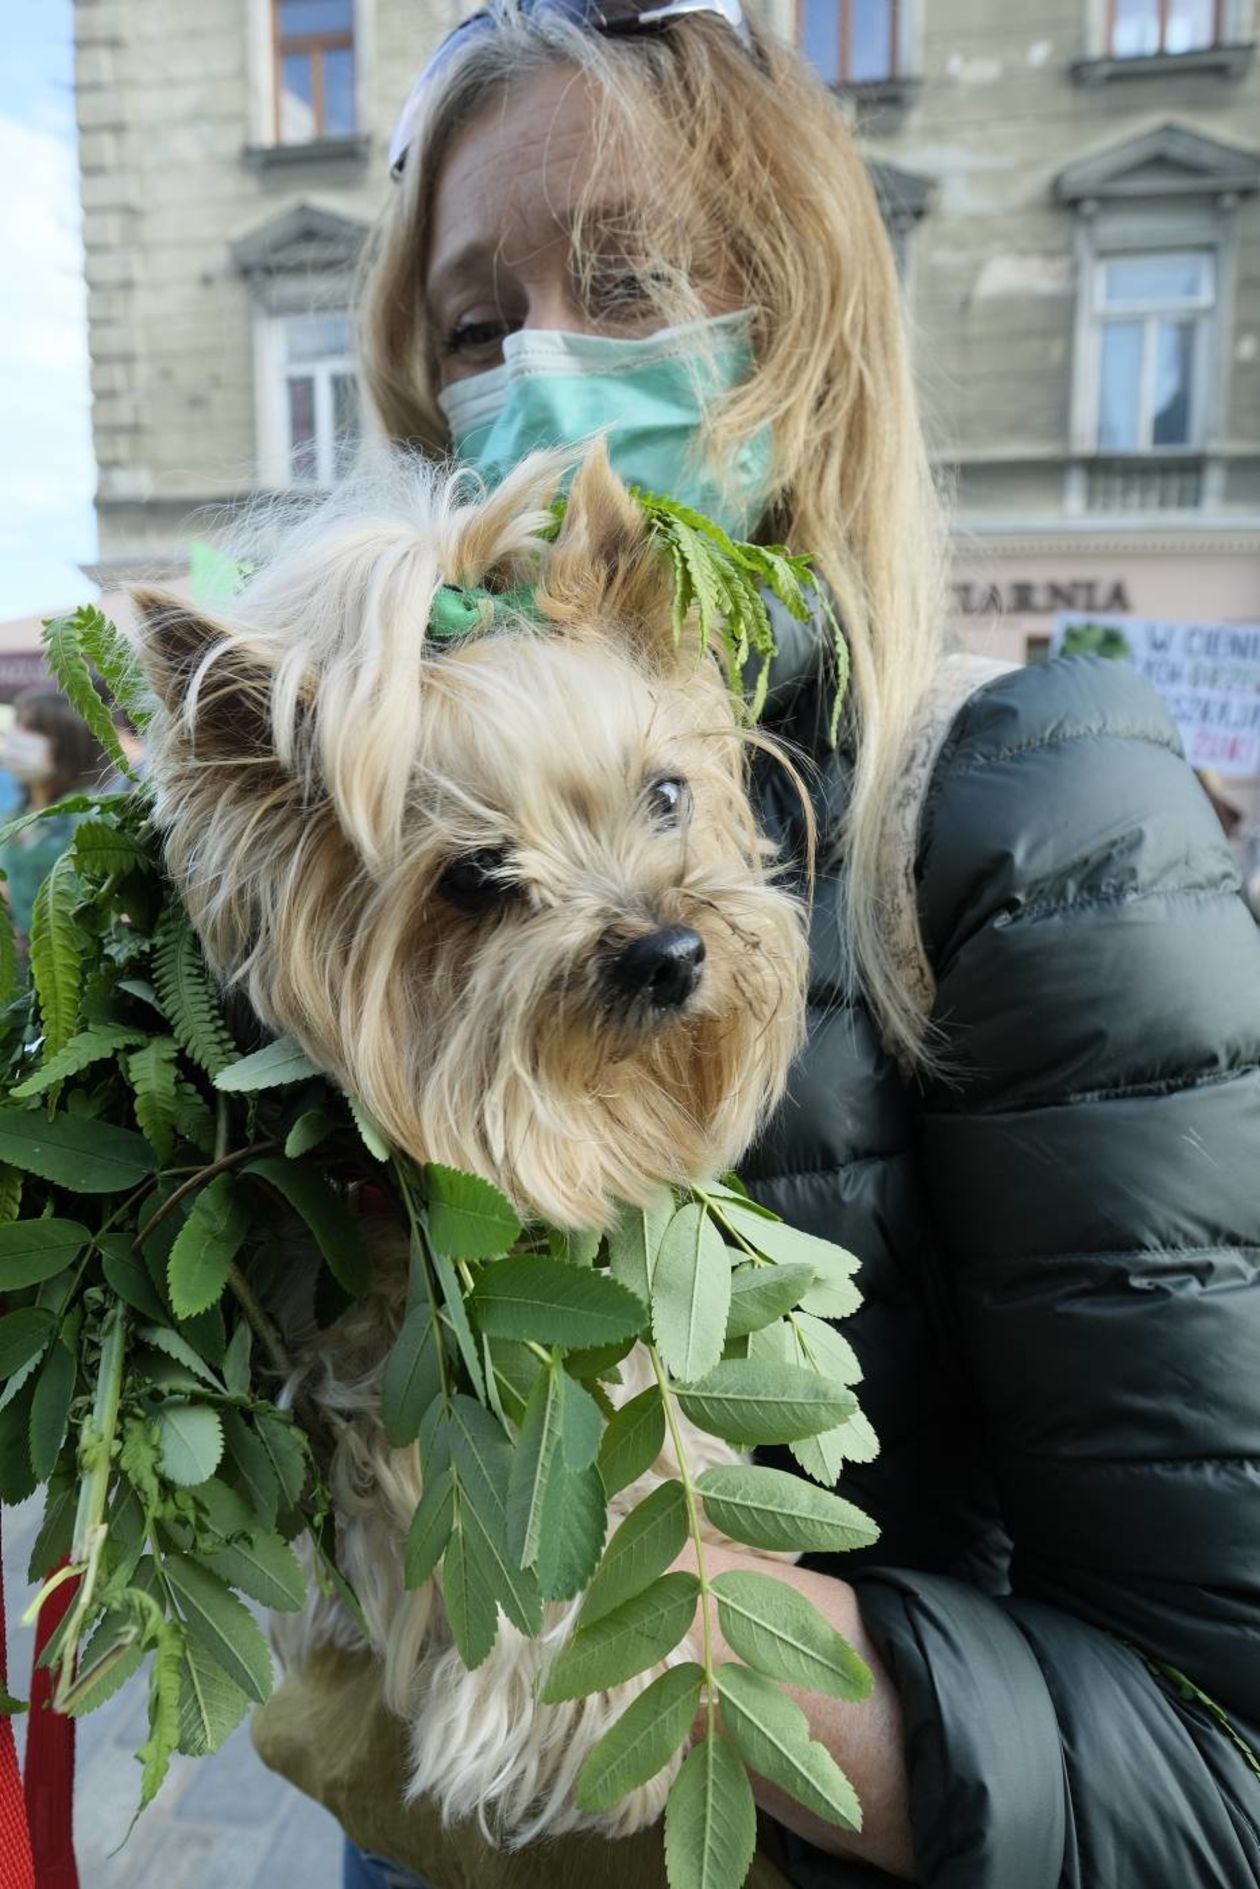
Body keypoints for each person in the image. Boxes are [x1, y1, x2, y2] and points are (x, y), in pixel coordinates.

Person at [248, 3, 1260, 1885]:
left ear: (800, 328)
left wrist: (637, 1618)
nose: (549, 369)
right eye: (481, 324)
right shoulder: (348, 806)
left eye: (634, 285)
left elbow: (1217, 1772)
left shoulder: (1043, 815)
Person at [0, 689, 111, 943]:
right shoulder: (13, 814)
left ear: (64, 744)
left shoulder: (90, 815)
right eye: (18, 725)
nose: (17, 738)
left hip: (72, 960)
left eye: (31, 730)